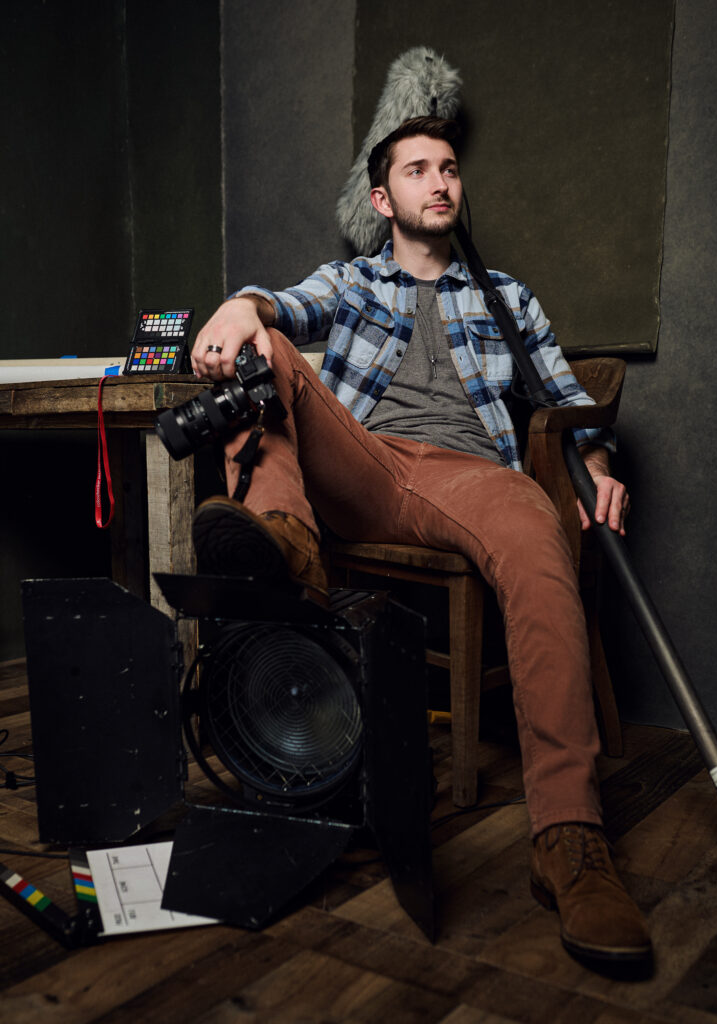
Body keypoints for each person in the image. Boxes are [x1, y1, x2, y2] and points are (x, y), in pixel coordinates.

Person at [189, 116, 650, 971]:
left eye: (447, 169)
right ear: (381, 197)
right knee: (273, 353)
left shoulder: (507, 297)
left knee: (536, 535)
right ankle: (284, 543)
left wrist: (594, 461)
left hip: (468, 479)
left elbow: (567, 399)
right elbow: (280, 309)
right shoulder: (355, 280)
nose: (439, 182)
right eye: (416, 170)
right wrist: (237, 307)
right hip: (359, 464)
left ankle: (570, 837)